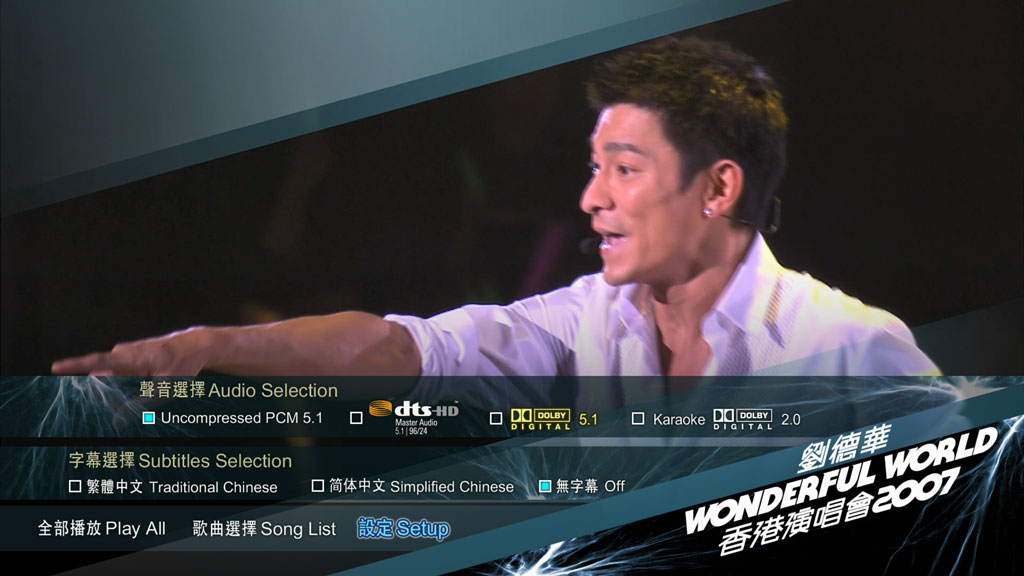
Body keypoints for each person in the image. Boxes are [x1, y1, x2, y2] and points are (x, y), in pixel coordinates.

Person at [51, 36, 939, 381]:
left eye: (624, 170)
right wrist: (207, 345)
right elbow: (401, 347)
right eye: (593, 167)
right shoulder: (581, 322)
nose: (592, 198)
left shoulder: (858, 352)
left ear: (719, 187)